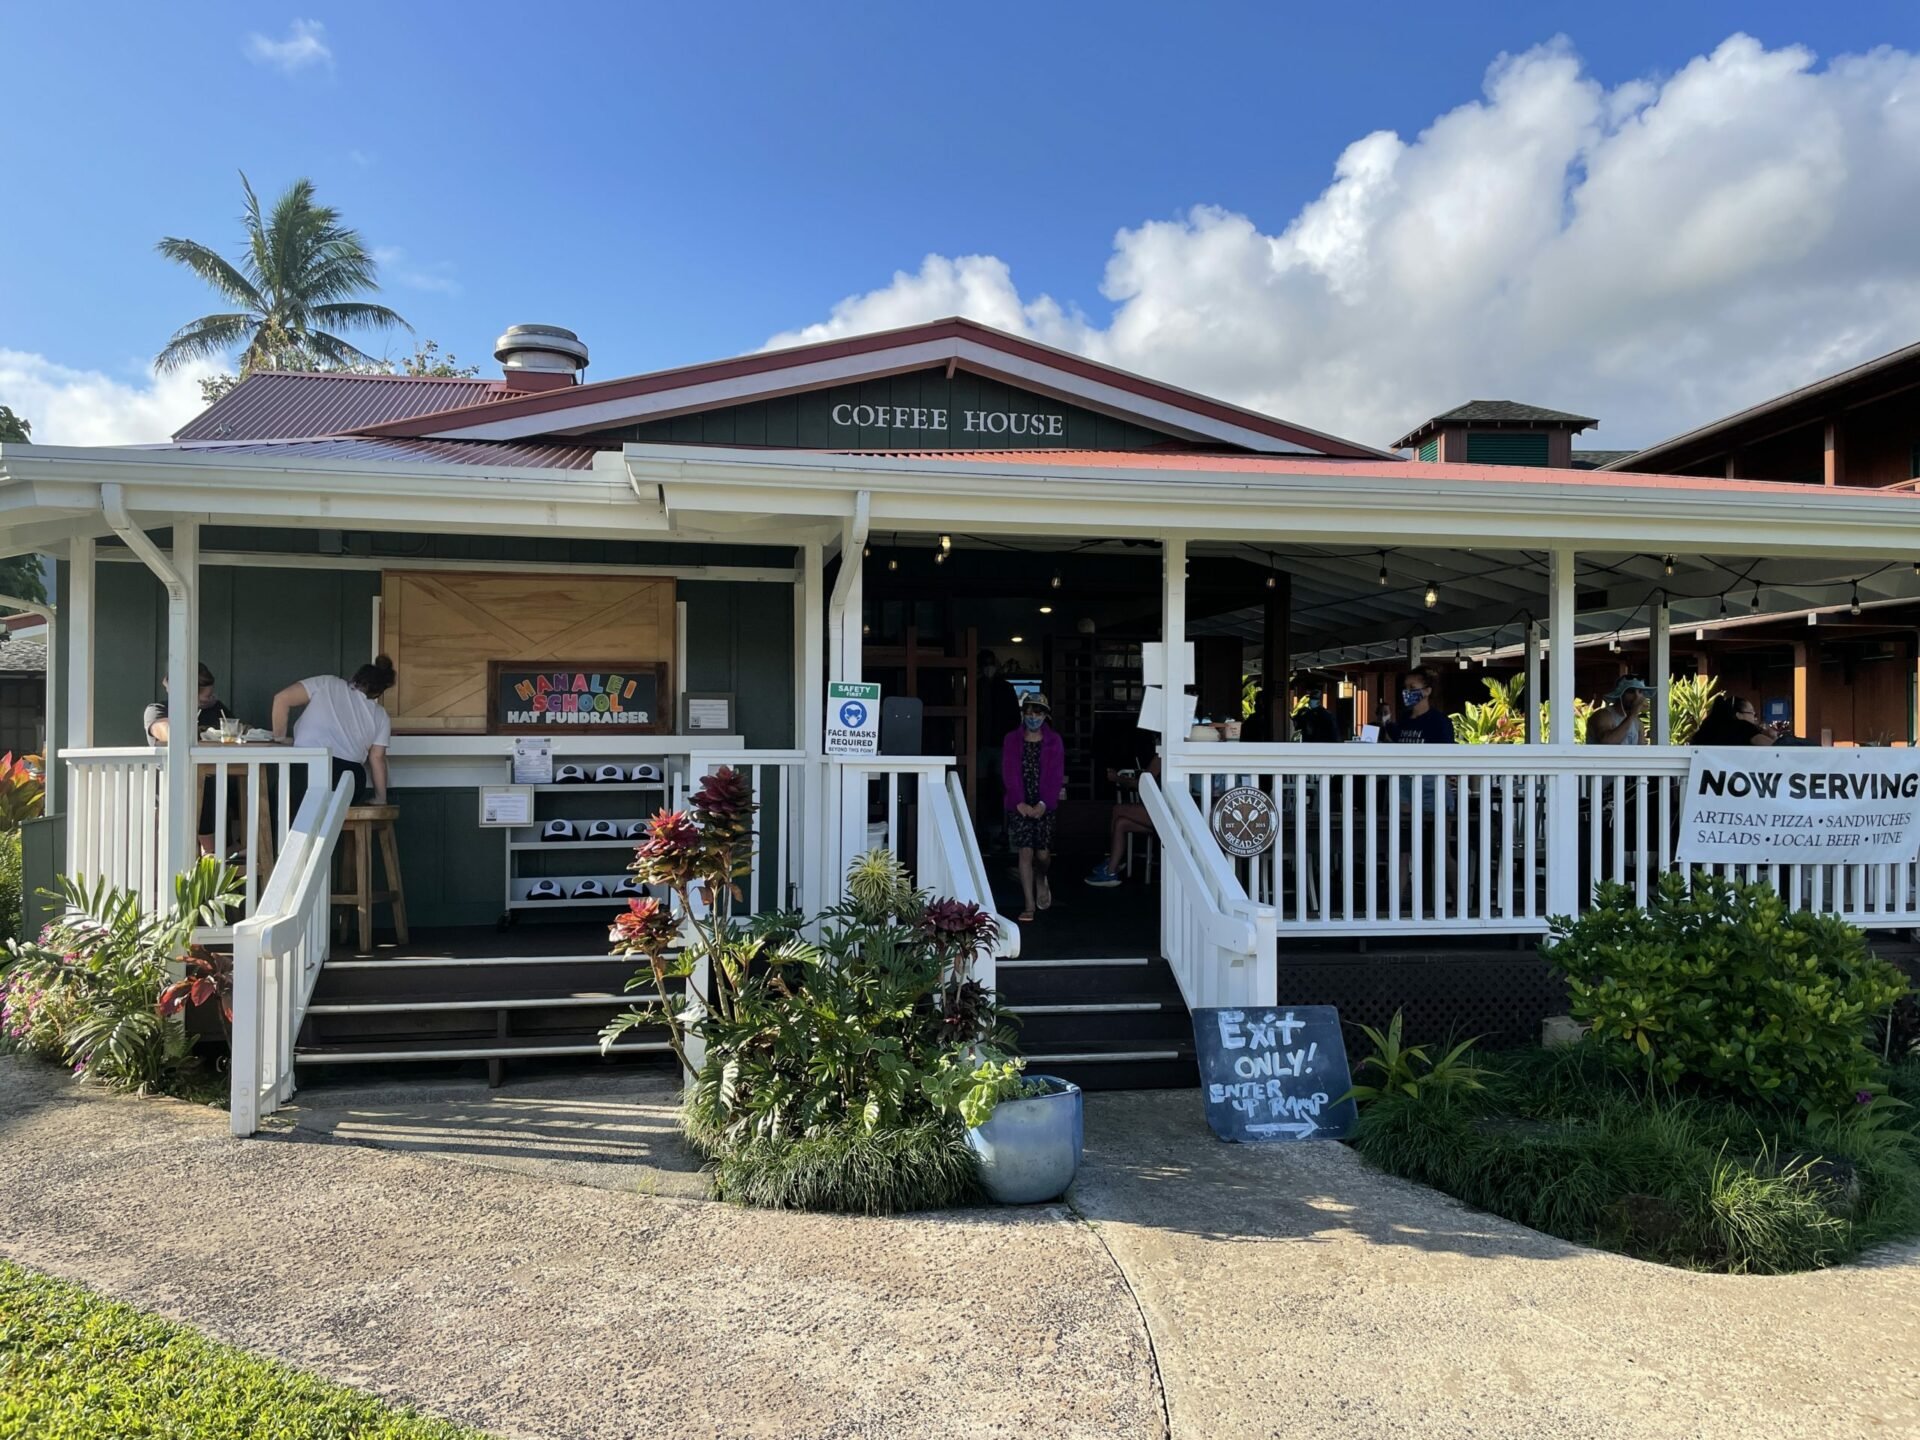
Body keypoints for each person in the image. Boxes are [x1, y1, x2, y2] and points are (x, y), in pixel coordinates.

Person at [272, 656, 396, 807]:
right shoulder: (381, 715)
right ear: (378, 693)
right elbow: (377, 759)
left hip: (307, 770)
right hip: (349, 779)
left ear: (355, 677)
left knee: (279, 802)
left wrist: (279, 738)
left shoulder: (327, 683)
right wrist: (381, 798)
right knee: (332, 815)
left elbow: (282, 699)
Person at [144, 662, 234, 855]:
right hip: (168, 787)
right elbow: (166, 731)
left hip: (211, 783)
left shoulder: (216, 710)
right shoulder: (158, 710)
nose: (211, 699)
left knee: (210, 786)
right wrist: (187, 708)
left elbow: (236, 730)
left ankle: (214, 856)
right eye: (206, 696)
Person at [1002, 691, 1065, 923]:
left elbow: (1055, 775)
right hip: (1019, 804)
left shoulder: (1054, 741)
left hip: (1044, 804)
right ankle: (1029, 904)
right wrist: (1018, 801)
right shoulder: (1011, 739)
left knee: (1043, 853)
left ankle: (1042, 877)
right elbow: (1009, 771)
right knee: (1025, 851)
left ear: (1045, 716)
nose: (1032, 717)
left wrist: (1043, 803)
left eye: (1037, 713)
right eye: (1028, 712)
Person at [1086, 755, 1160, 888]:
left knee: (1118, 809)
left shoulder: (1161, 757)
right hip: (1162, 814)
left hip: (1166, 815)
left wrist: (1117, 778)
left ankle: (1111, 862)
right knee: (1121, 823)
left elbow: (1142, 784)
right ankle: (1112, 868)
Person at [1382, 667, 1453, 745]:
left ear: (1427, 691)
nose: (1407, 691)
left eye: (1412, 687)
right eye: (1405, 687)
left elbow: (1446, 752)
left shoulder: (1439, 722)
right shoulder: (1404, 719)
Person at [1692, 694, 1776, 748]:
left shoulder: (1707, 728)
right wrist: (1773, 736)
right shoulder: (1744, 728)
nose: (1755, 717)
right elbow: (1776, 748)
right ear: (1738, 715)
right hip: (1738, 775)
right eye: (1752, 713)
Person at [1588, 677, 1652, 745]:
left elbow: (1641, 752)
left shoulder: (1638, 723)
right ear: (1619, 694)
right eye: (1631, 692)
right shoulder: (1603, 715)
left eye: (1640, 692)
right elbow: (1608, 742)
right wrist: (1633, 714)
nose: (1637, 696)